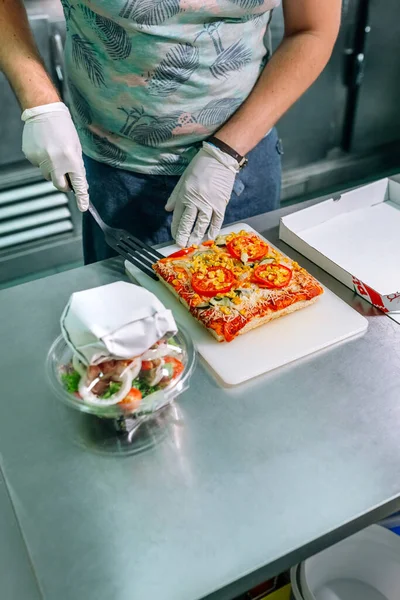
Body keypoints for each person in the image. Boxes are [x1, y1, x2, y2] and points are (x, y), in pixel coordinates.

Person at [0, 0, 341, 263]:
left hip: (240, 166)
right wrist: (40, 102)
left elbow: (312, 30)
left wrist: (226, 151)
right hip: (114, 168)